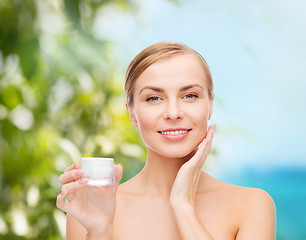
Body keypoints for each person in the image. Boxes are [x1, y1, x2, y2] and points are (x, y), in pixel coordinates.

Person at [56, 41, 276, 240]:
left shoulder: (252, 205)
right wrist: (99, 231)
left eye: (189, 96)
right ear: (132, 113)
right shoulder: (91, 209)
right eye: (154, 98)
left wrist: (183, 206)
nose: (173, 113)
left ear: (210, 105)